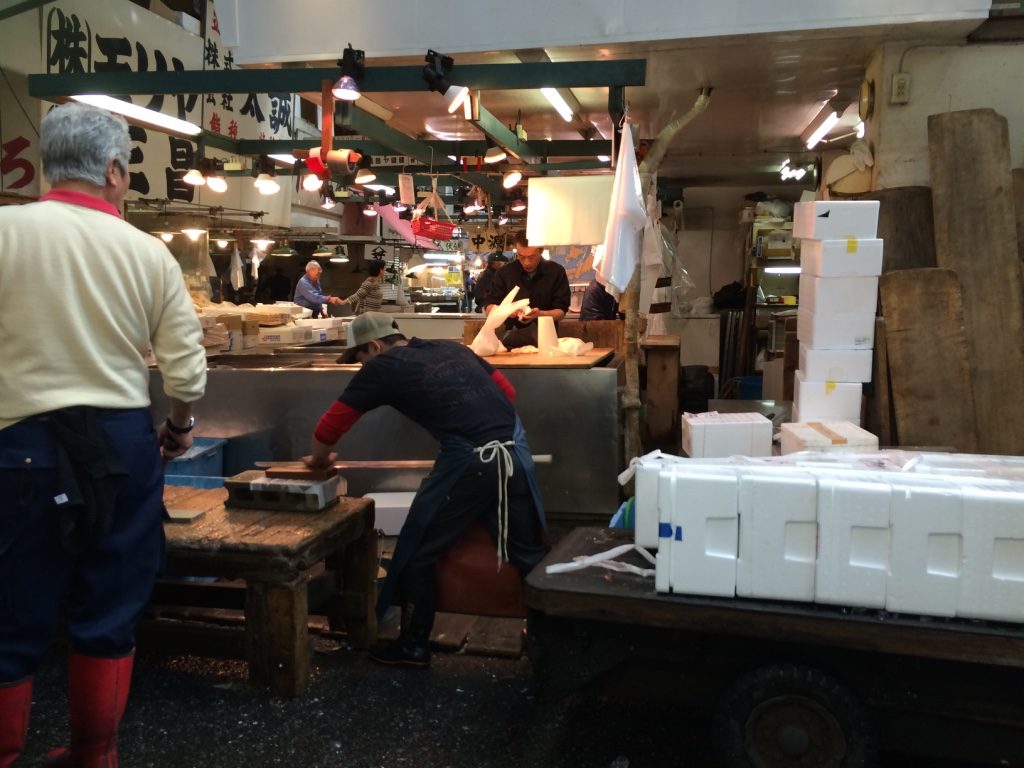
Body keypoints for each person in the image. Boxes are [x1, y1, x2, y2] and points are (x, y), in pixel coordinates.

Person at [0, 102, 207, 766]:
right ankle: (95, 756)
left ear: (45, 167)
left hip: (16, 445)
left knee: (9, 617)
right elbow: (187, 372)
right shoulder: (147, 253)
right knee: (109, 607)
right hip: (121, 443)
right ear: (117, 171)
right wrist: (177, 427)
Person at [304, 313, 548, 668]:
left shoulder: (382, 366)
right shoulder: (453, 349)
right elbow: (506, 393)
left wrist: (317, 460)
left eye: (359, 357)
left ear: (373, 346)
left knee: (417, 550)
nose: (361, 366)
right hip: (515, 450)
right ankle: (547, 641)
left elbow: (330, 426)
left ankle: (414, 645)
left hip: (472, 459)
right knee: (528, 552)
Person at [485, 232, 571, 348]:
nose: (526, 262)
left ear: (541, 251)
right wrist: (507, 311)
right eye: (521, 256)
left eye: (532, 257)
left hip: (546, 342)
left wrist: (540, 314)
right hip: (509, 344)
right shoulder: (504, 273)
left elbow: (561, 312)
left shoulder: (556, 272)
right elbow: (489, 308)